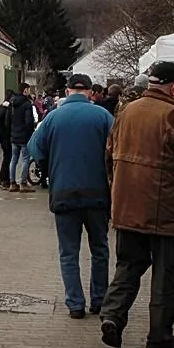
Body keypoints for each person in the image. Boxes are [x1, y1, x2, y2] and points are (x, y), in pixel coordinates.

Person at [99, 62, 174, 348]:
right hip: (167, 213)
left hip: (127, 208)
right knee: (167, 276)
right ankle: (159, 337)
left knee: (128, 266)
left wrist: (116, 191)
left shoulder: (126, 113)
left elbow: (109, 157)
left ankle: (112, 316)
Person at [26, 73, 114, 319]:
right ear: (89, 92)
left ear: (67, 91)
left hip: (64, 192)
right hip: (98, 194)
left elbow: (35, 148)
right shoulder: (104, 117)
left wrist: (48, 169)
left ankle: (75, 304)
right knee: (100, 249)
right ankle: (100, 300)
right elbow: (116, 150)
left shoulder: (52, 117)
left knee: (68, 252)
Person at [6, 83, 37, 192]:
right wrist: (31, 132)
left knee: (13, 159)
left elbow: (7, 120)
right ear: (25, 90)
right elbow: (29, 121)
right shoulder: (27, 104)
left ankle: (12, 183)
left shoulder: (12, 102)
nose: (29, 92)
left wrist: (11, 131)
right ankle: (23, 183)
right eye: (28, 89)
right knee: (25, 159)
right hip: (24, 136)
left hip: (14, 135)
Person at [0, 90, 15, 189]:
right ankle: (4, 178)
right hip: (5, 136)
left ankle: (4, 178)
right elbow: (3, 123)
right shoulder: (5, 108)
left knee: (7, 157)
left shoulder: (1, 107)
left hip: (3, 136)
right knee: (7, 158)